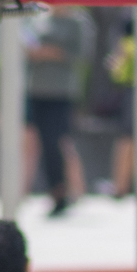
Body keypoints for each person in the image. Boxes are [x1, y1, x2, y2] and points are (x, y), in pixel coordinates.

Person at [23, 11, 90, 214]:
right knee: (41, 142)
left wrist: (49, 52)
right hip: (37, 90)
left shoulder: (77, 22)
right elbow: (28, 48)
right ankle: (54, 190)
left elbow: (77, 54)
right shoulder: (38, 19)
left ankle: (71, 189)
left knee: (60, 142)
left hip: (62, 92)